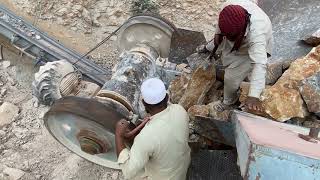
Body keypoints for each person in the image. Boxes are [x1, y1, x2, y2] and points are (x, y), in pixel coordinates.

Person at [198, 0, 273, 112]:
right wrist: (218, 33)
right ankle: (209, 48)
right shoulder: (228, 7)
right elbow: (221, 22)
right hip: (236, 34)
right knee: (219, 42)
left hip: (247, 51)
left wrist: (254, 95)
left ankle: (229, 102)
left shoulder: (257, 35)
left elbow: (259, 64)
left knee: (231, 78)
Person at [115, 78, 191, 180]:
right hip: (181, 169)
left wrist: (118, 135)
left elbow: (128, 172)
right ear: (167, 97)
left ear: (144, 104)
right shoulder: (180, 110)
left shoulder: (146, 138)